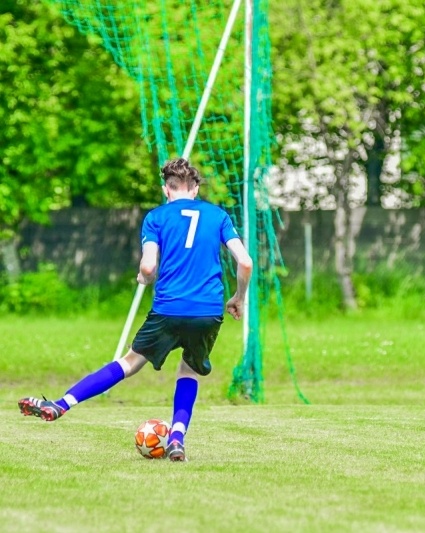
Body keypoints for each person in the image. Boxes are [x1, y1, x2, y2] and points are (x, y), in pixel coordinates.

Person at [18, 157, 253, 461]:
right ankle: (177, 437)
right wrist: (239, 297)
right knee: (190, 369)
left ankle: (61, 404)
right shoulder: (218, 215)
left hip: (168, 308)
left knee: (129, 363)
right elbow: (245, 262)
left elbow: (149, 265)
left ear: (166, 189)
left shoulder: (156, 218)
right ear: (194, 188)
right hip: (208, 309)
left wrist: (144, 276)